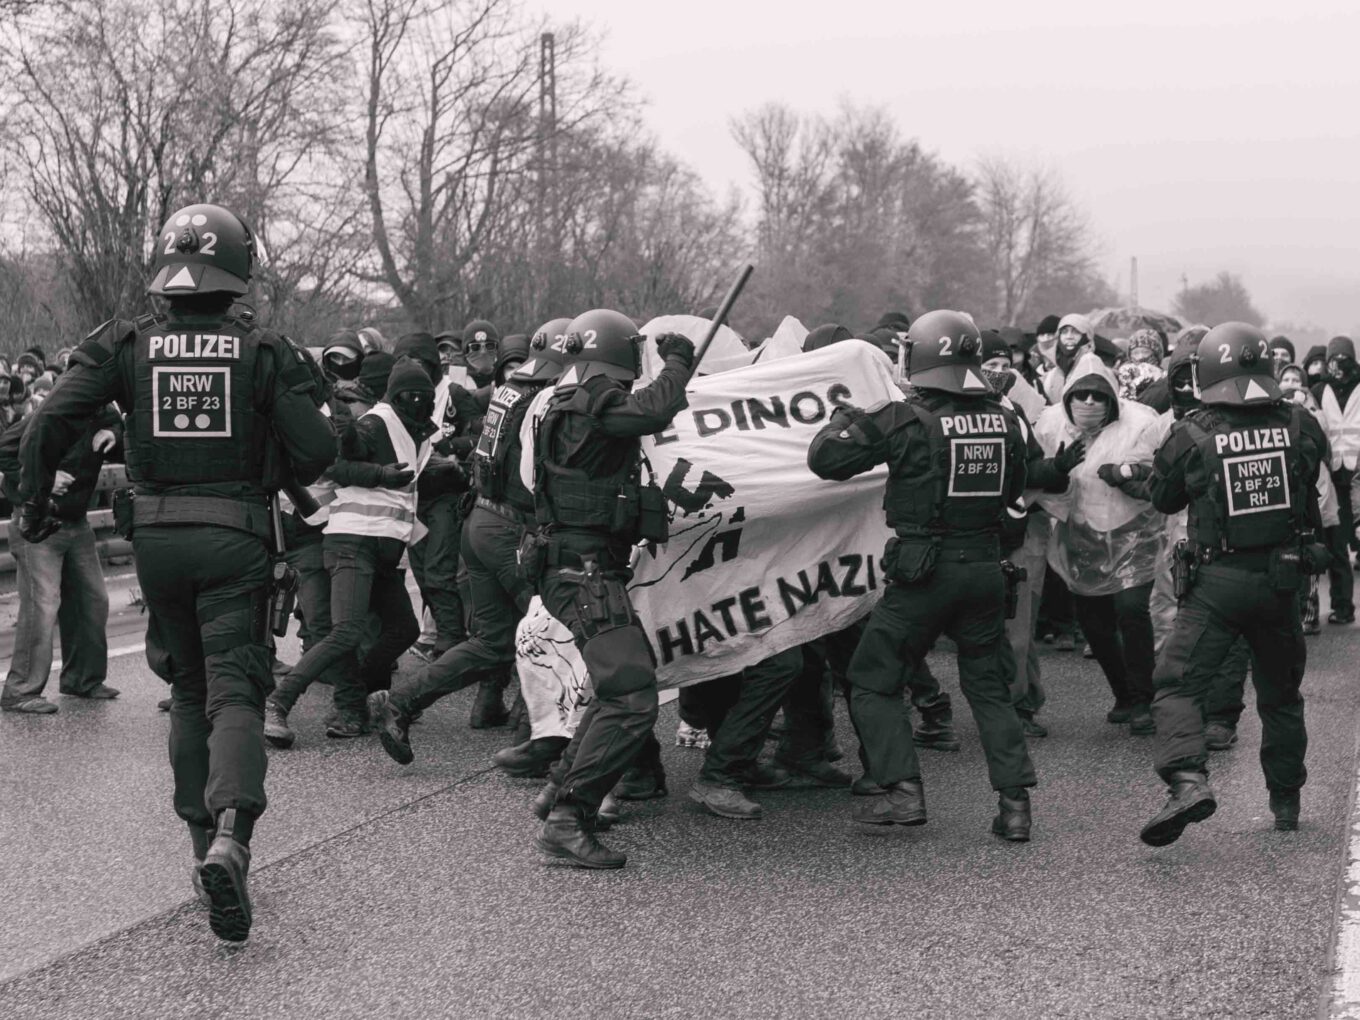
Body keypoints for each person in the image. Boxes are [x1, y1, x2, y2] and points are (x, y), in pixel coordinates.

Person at [16, 203, 335, 941]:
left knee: (189, 691)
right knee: (237, 692)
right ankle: (232, 840)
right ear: (238, 272)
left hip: (156, 543)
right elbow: (319, 451)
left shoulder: (124, 343)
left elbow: (48, 421)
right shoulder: (263, 351)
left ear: (165, 273)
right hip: (235, 541)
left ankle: (201, 852)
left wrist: (34, 502)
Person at [807, 309, 1037, 841]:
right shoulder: (1005, 420)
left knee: (872, 678)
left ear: (922, 357)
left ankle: (903, 791)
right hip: (985, 570)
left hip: (923, 572)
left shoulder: (904, 418)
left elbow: (825, 459)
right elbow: (1014, 491)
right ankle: (1015, 806)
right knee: (989, 688)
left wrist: (845, 418)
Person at [1140, 322, 1327, 846]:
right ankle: (1286, 803)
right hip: (1281, 580)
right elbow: (1312, 476)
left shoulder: (1192, 432)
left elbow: (1163, 498)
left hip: (1216, 583)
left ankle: (1187, 781)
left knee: (1178, 684)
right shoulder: (1301, 423)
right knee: (1281, 696)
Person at [524, 308, 695, 868]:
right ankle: (568, 818)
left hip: (578, 568)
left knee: (617, 686)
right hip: (584, 571)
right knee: (632, 697)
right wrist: (678, 362)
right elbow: (654, 409)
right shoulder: (597, 399)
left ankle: (558, 788)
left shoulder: (566, 399)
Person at [370, 319, 570, 765]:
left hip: (480, 522)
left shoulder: (511, 390)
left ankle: (400, 703)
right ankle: (539, 743)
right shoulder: (549, 397)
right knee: (555, 631)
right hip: (513, 529)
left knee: (494, 642)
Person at [1034, 352, 1165, 734]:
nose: (1089, 402)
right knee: (1094, 622)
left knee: (1131, 610)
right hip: (1083, 536)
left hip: (1134, 534)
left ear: (1112, 399)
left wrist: (1125, 474)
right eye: (1081, 395)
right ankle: (1123, 694)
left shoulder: (1140, 422)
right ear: (1068, 398)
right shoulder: (1050, 425)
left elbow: (1160, 471)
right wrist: (1057, 470)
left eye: (1098, 396)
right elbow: (1037, 474)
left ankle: (1143, 699)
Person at [0, 406, 120, 713]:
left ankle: (82, 679)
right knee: (42, 605)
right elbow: (3, 450)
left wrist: (114, 434)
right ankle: (20, 690)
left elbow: (126, 434)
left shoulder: (104, 413)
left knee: (92, 599)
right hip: (37, 519)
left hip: (77, 521)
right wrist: (45, 478)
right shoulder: (50, 412)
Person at [1312, 335, 1360, 624]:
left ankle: (1343, 607)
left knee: (1344, 545)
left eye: (1344, 358)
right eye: (1334, 359)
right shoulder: (1319, 390)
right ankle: (1340, 607)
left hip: (1357, 475)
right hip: (1330, 479)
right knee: (1335, 546)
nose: (1339, 364)